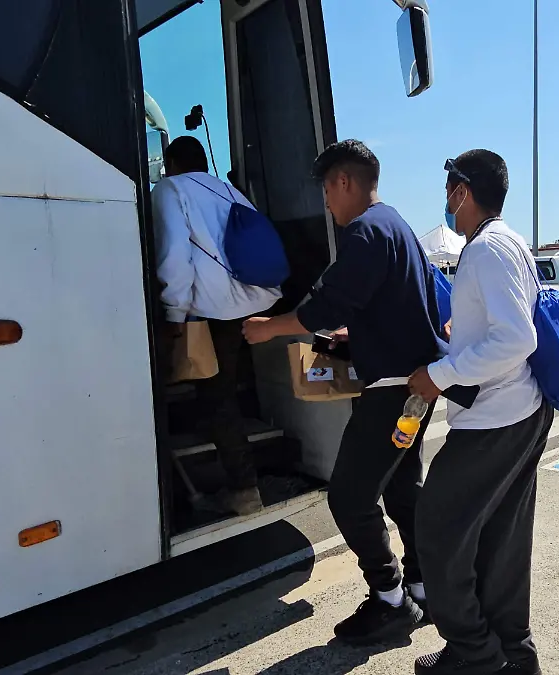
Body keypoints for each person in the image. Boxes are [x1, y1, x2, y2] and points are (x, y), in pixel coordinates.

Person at [242, 139, 443, 644]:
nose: (327, 206)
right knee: (400, 489)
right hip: (412, 387)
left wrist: (270, 327)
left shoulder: (366, 232)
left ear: (344, 182)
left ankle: (391, 599)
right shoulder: (397, 225)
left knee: (350, 498)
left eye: (327, 193)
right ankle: (424, 587)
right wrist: (359, 335)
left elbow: (329, 304)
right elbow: (394, 304)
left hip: (390, 391)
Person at [408, 150, 554, 675]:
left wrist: (437, 377)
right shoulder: (507, 241)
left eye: (450, 190)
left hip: (494, 417)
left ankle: (473, 652)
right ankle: (513, 654)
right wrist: (459, 337)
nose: (447, 201)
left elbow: (515, 337)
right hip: (520, 410)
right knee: (502, 541)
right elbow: (500, 326)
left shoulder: (485, 249)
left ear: (463, 192)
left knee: (438, 531)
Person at [153, 136, 282, 516]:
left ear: (172, 163)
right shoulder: (228, 190)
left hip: (214, 310)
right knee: (220, 388)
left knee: (216, 394)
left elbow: (174, 256)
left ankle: (243, 489)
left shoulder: (170, 189)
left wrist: (173, 315)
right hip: (256, 300)